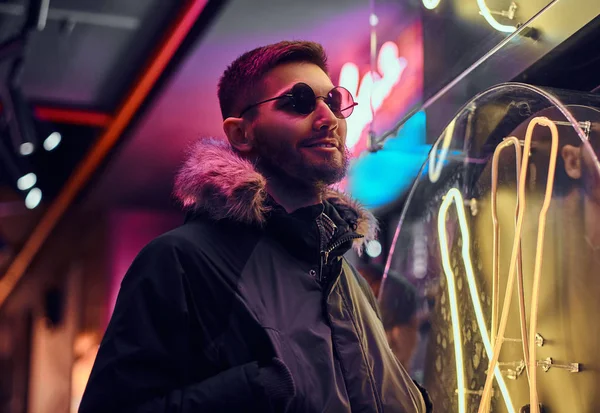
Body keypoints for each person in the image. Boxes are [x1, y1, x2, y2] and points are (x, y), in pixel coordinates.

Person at [79, 40, 432, 413]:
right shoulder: (180, 261)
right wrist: (253, 390)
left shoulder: (347, 276)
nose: (328, 117)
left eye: (333, 100)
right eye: (298, 101)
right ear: (241, 134)